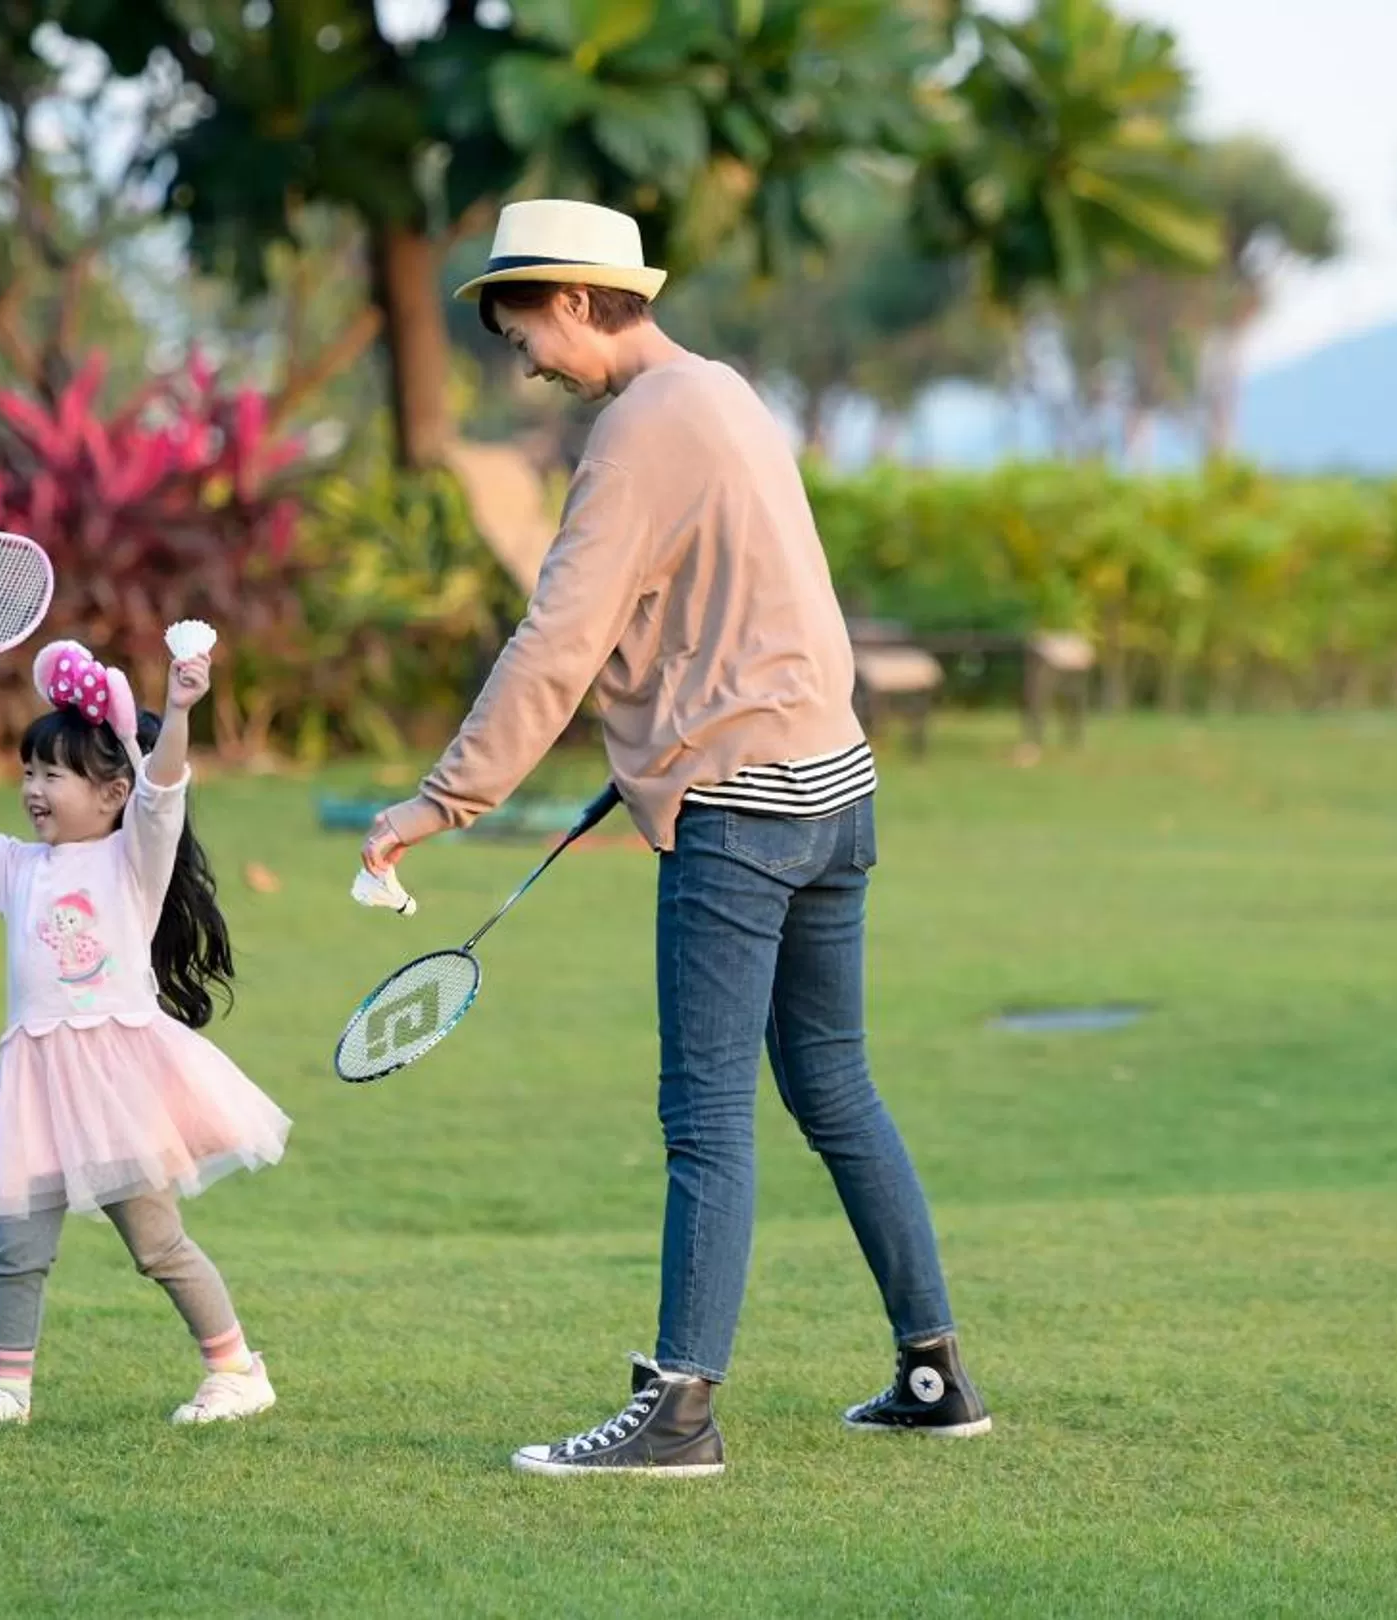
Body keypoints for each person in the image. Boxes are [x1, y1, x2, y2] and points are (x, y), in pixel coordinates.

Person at [360, 199, 989, 1478]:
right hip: (835, 792)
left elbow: (558, 636)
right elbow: (734, 614)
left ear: (577, 300)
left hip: (746, 815)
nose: (526, 362)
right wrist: (657, 743)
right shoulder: (724, 394)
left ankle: (680, 1412)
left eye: (525, 331)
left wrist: (441, 801)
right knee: (833, 1086)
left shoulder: (637, 427)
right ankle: (932, 1373)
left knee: (704, 1115)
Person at [0, 636, 291, 1434]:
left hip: (115, 1089)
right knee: (17, 1252)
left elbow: (163, 791)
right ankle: (5, 1390)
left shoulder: (132, 860)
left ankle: (236, 1371)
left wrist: (177, 710)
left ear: (113, 792)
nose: (32, 789)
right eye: (28, 772)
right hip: (36, 1084)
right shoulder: (19, 869)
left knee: (157, 1245)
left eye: (53, 775)